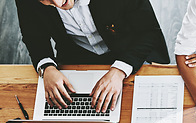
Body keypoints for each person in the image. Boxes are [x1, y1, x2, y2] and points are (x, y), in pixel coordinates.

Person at [15, 0, 169, 112]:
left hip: (131, 52)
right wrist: (46, 67)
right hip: (75, 55)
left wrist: (119, 70)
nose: (58, 2)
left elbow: (149, 32)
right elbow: (33, 35)